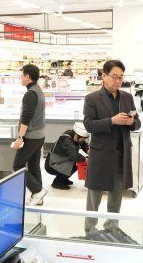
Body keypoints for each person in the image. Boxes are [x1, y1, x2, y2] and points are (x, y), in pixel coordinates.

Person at [83, 60, 141, 232]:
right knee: (94, 197)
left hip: (121, 155)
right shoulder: (92, 98)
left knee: (116, 196)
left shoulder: (127, 97)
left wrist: (131, 122)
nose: (118, 81)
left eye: (121, 77)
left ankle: (112, 227)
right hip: (100, 156)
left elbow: (137, 123)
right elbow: (89, 125)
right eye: (114, 77)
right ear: (104, 75)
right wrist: (112, 121)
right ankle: (90, 229)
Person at [13, 64, 47, 206]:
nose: (21, 78)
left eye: (21, 75)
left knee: (18, 165)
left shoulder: (30, 94)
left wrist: (20, 137)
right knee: (34, 166)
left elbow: (26, 117)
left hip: (31, 136)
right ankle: (37, 197)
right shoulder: (38, 91)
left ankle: (38, 190)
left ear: (27, 76)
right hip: (40, 135)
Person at [45, 122, 89, 190]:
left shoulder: (74, 135)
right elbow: (74, 156)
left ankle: (63, 179)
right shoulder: (66, 140)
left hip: (61, 161)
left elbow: (83, 144)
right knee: (75, 164)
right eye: (82, 139)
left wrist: (88, 150)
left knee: (76, 163)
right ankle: (57, 182)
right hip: (52, 165)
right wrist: (86, 160)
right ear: (76, 136)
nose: (82, 141)